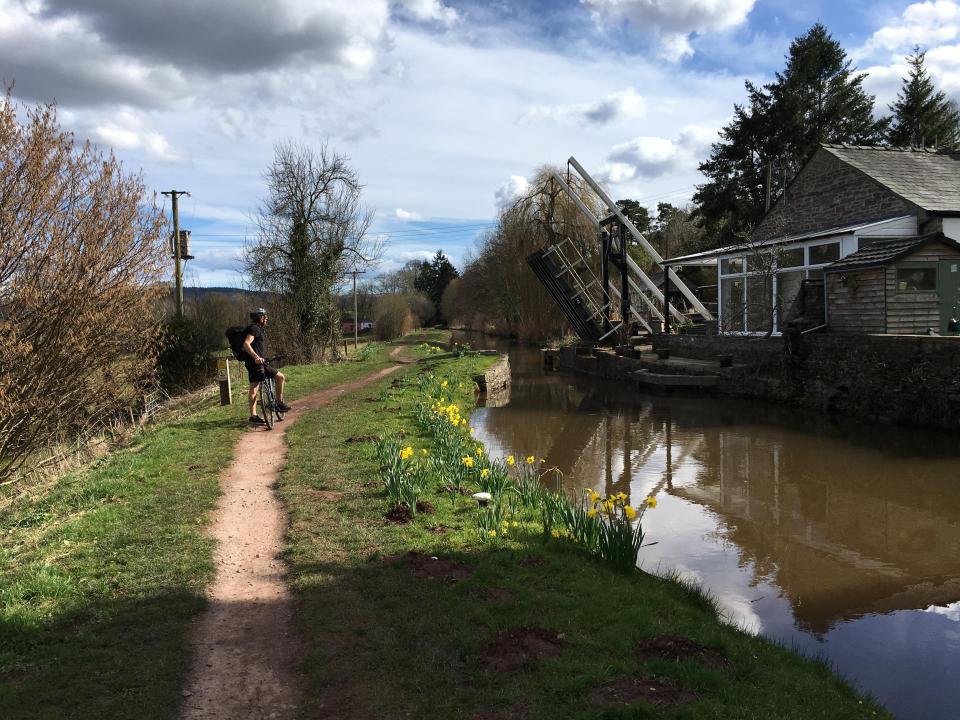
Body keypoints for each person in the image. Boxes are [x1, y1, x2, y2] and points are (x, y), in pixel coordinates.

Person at [242, 308, 290, 424]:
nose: (267, 320)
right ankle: (279, 403)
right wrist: (256, 357)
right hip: (257, 363)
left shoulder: (252, 329)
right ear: (261, 318)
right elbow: (246, 344)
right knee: (280, 377)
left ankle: (253, 416)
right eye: (266, 318)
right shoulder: (255, 329)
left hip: (251, 363)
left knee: (254, 387)